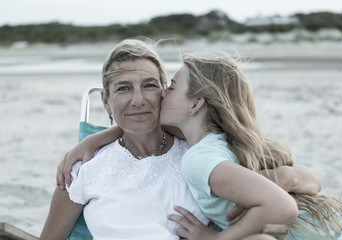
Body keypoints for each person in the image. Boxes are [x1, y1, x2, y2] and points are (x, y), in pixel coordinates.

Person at [41, 39, 301, 240]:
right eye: (123, 88)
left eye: (150, 85)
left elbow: (296, 182)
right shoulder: (82, 169)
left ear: (166, 93)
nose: (138, 99)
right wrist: (96, 140)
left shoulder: (198, 149)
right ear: (106, 102)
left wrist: (288, 177)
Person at [160, 50, 342, 240]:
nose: (162, 93)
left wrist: (218, 238)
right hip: (337, 227)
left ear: (195, 104)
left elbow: (283, 206)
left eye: (171, 87)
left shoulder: (199, 159)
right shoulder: (224, 138)